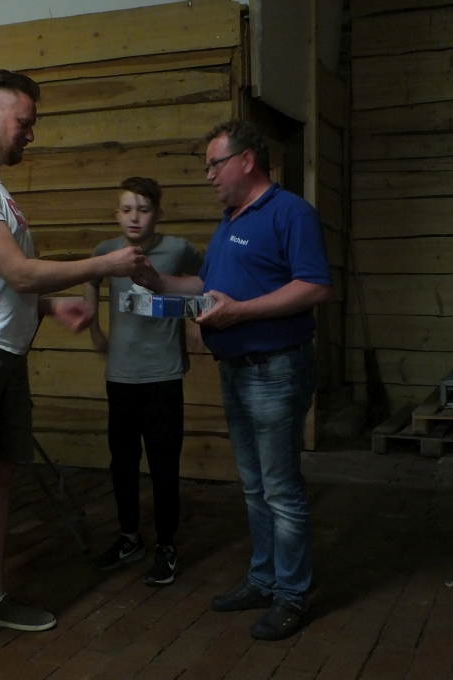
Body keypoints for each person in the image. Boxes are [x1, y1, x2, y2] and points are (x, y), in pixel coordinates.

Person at [0, 69, 146, 676]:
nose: (31, 134)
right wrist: (102, 266)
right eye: (25, 122)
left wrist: (47, 307)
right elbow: (17, 272)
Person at [131, 120, 332, 640]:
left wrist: (241, 312)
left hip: (276, 368)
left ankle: (292, 595)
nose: (208, 176)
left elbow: (314, 287)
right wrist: (157, 281)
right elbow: (208, 284)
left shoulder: (289, 212)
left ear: (247, 160)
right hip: (237, 370)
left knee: (280, 488)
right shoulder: (230, 221)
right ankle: (263, 580)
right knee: (255, 485)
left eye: (214, 164)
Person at [83, 177, 203, 586]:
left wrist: (196, 318)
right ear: (117, 214)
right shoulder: (106, 251)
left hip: (164, 374)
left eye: (144, 209)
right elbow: (90, 277)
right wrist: (93, 324)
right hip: (121, 374)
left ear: (158, 213)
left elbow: (209, 278)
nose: (135, 217)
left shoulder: (178, 249)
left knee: (164, 463)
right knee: (123, 462)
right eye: (127, 209)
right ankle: (130, 538)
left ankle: (166, 545)